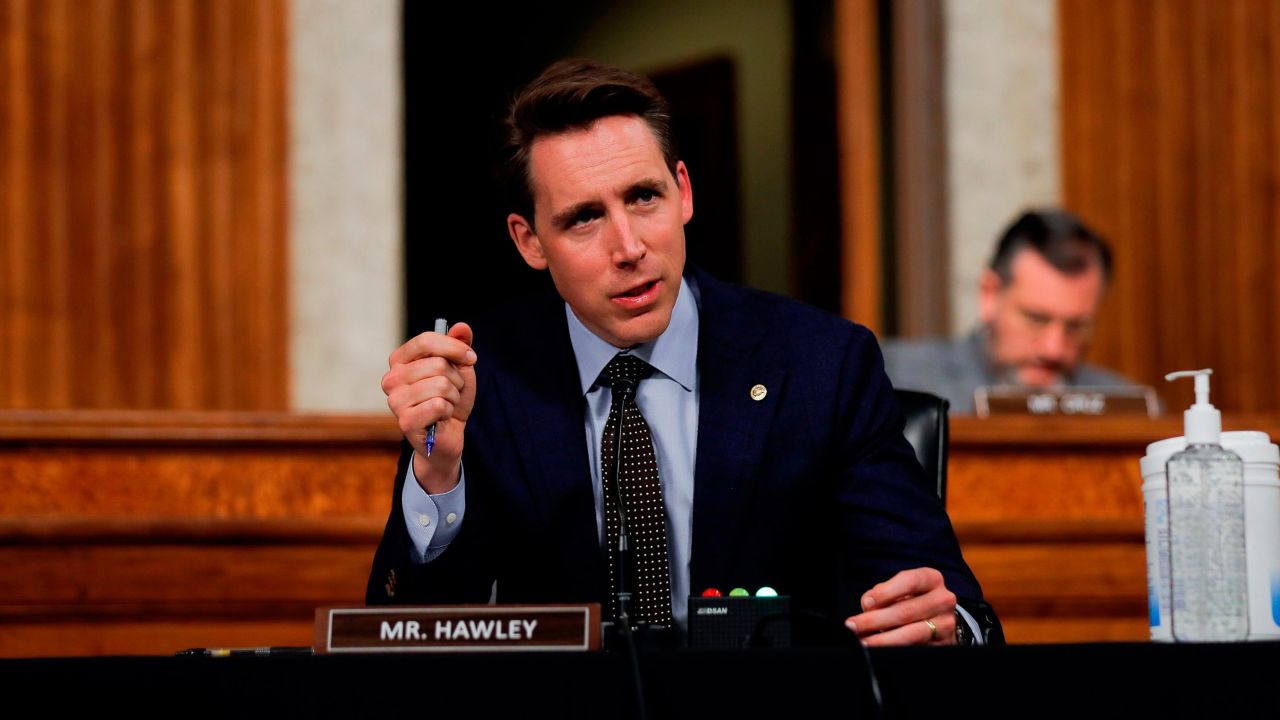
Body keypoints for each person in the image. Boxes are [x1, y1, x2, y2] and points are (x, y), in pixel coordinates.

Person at [367, 59, 998, 646]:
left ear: (684, 192)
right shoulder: (486, 380)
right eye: (584, 218)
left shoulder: (819, 364)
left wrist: (945, 625)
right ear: (530, 242)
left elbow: (955, 608)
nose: (629, 246)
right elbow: (407, 644)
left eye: (643, 198)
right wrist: (438, 475)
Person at [882, 209, 1135, 414]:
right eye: (1036, 319)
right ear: (989, 295)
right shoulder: (893, 381)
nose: (1054, 349)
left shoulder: (1128, 409)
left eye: (1076, 326)